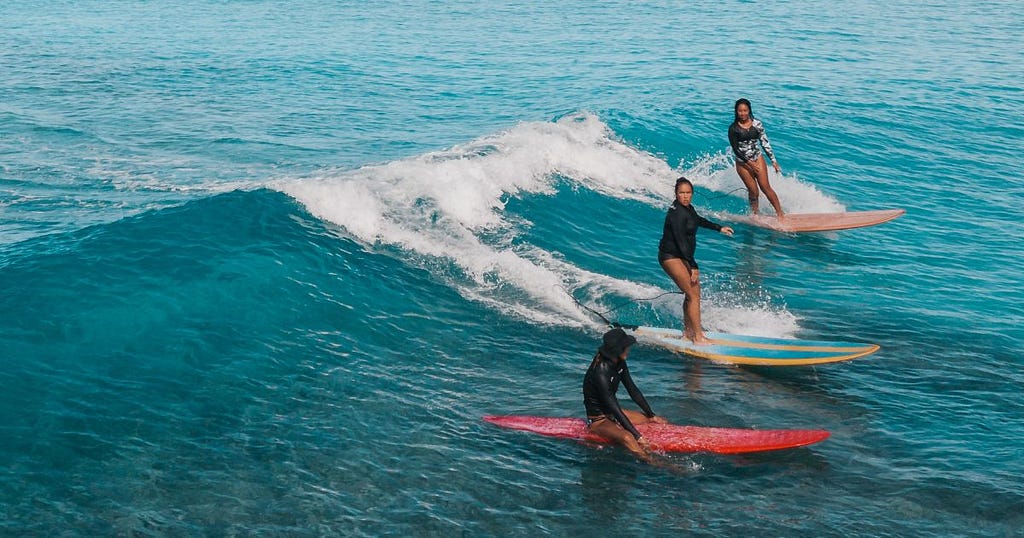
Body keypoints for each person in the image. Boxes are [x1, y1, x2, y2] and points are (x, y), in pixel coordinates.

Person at [658, 177, 734, 344]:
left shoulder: (688, 209)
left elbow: (697, 220)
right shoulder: (676, 213)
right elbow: (680, 240)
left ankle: (688, 333)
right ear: (676, 194)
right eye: (681, 193)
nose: (685, 196)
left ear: (692, 193)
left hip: (681, 256)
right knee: (694, 294)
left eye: (688, 193)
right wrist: (693, 265)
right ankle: (698, 337)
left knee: (692, 293)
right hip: (671, 256)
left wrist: (718, 227)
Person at [583, 327, 668, 460]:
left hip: (612, 414)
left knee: (651, 421)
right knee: (627, 437)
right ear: (617, 350)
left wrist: (652, 415)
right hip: (598, 420)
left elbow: (632, 389)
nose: (628, 348)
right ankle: (653, 462)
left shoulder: (619, 363)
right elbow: (613, 406)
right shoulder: (600, 372)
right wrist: (638, 437)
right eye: (626, 346)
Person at [728, 98, 785, 218]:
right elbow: (736, 149)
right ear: (736, 112)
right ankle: (755, 215)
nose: (743, 113)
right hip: (742, 163)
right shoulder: (733, 129)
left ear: (749, 110)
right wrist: (749, 163)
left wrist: (773, 161)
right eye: (740, 111)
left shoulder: (757, 124)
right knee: (754, 191)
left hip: (757, 158)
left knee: (765, 187)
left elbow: (765, 143)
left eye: (745, 110)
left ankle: (780, 213)